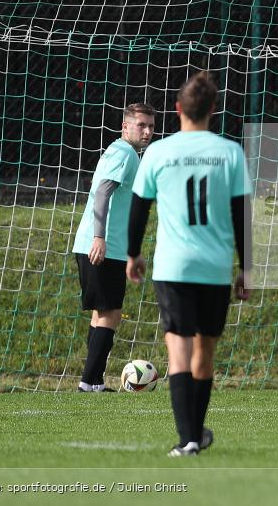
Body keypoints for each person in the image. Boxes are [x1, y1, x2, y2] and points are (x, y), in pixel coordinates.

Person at [126, 71, 251, 456]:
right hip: (213, 268)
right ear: (213, 110)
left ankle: (189, 440)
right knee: (205, 354)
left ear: (178, 109)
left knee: (178, 353)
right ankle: (194, 435)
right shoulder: (230, 152)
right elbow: (241, 214)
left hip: (173, 267)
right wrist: (247, 268)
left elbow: (139, 208)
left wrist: (132, 254)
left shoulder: (160, 152)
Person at [72, 103, 155, 392]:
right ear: (125, 126)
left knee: (103, 313)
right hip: (101, 246)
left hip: (108, 245)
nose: (146, 131)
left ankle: (93, 382)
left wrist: (132, 248)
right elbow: (103, 192)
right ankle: (87, 382)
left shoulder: (121, 151)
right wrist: (99, 237)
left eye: (150, 126)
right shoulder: (124, 152)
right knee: (110, 313)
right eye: (140, 125)